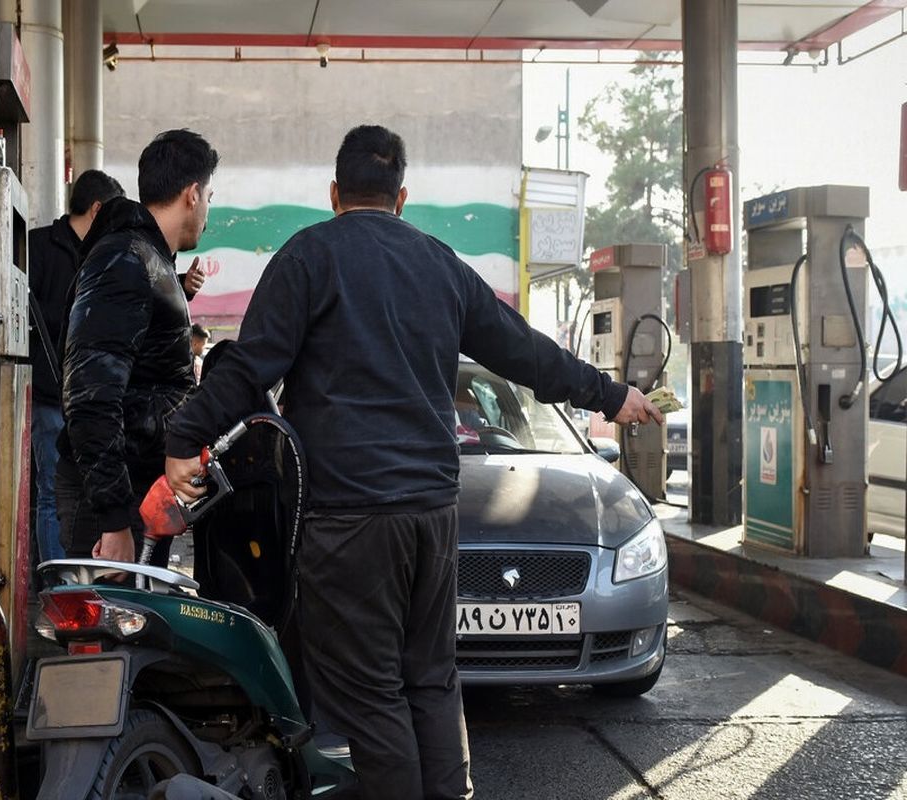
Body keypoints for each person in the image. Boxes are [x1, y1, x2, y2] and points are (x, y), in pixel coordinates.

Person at [163, 125, 662, 800]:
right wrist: (611, 393)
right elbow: (525, 351)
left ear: (334, 193)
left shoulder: (310, 256)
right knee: (431, 678)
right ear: (400, 197)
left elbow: (251, 367)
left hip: (348, 518)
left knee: (371, 693)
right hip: (433, 514)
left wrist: (181, 436)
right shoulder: (441, 264)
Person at [56, 129, 219, 569]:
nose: (208, 210)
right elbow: (90, 396)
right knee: (112, 636)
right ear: (191, 194)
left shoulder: (148, 258)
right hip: (111, 501)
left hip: (135, 492)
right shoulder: (126, 260)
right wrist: (113, 522)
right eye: (209, 196)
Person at [29, 169, 125, 564]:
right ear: (97, 208)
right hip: (50, 395)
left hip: (88, 399)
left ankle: (78, 575)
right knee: (51, 491)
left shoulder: (101, 253)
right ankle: (58, 580)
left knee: (83, 491)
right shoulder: (37, 246)